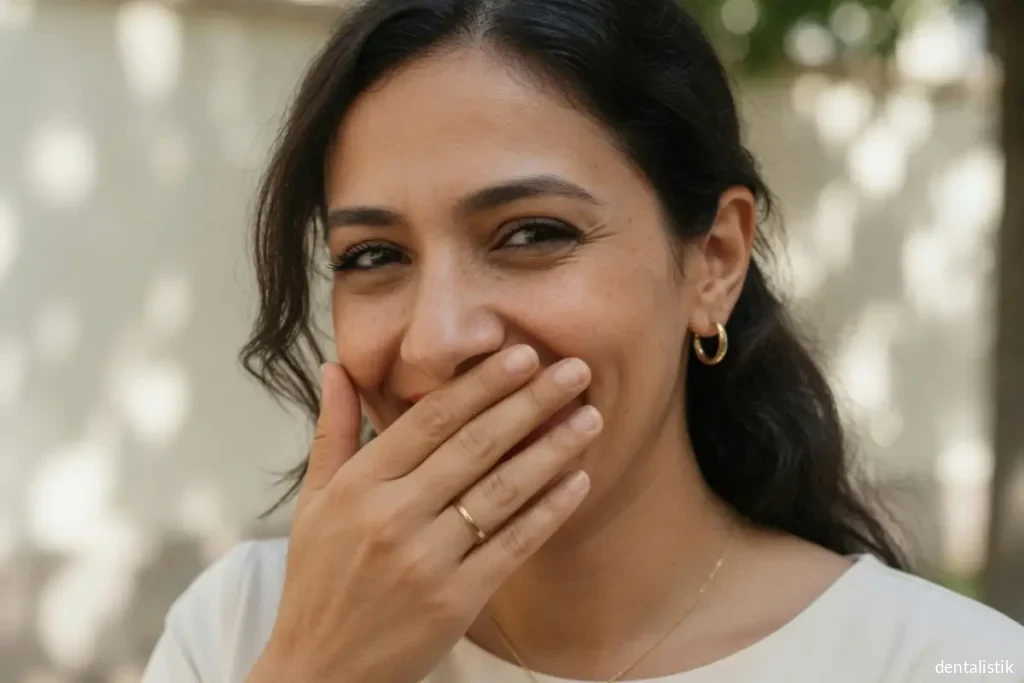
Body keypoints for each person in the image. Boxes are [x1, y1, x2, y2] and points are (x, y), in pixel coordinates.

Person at [141, 0, 1024, 681]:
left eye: (533, 233)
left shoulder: (940, 659)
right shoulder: (245, 626)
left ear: (714, 260)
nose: (439, 338)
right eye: (374, 255)